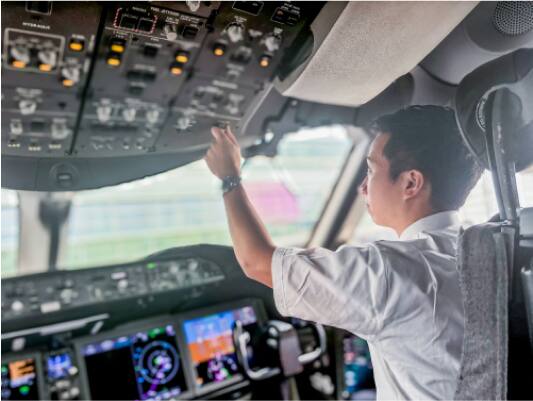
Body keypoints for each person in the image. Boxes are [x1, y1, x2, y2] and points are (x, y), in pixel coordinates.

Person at [204, 105, 483, 400]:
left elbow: (256, 261)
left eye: (371, 170)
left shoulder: (390, 272)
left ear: (410, 183)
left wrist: (229, 176)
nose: (363, 187)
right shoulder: (480, 251)